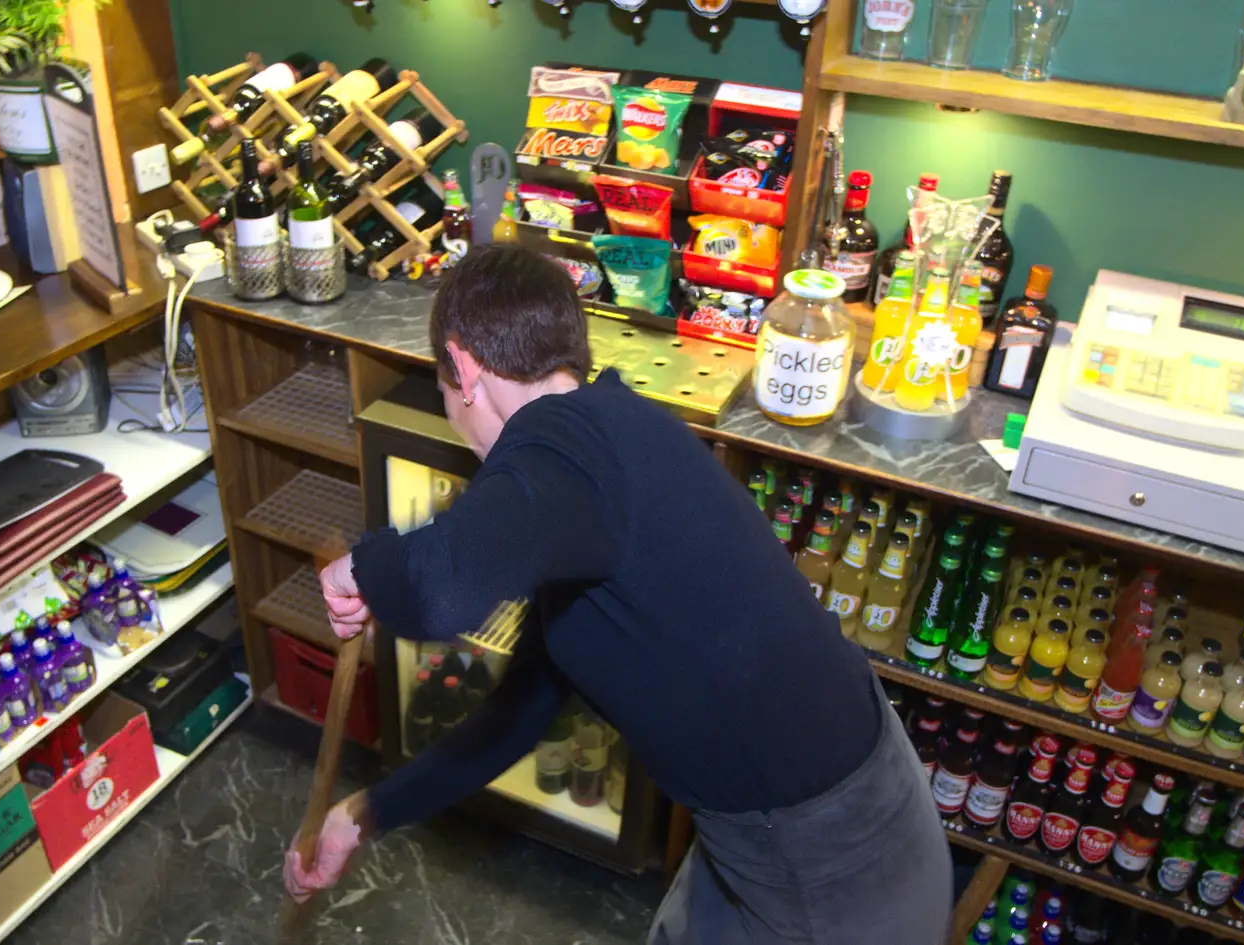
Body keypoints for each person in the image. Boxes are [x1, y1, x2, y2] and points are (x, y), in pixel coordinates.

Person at [285, 245, 951, 943]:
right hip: (790, 815)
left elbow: (437, 592)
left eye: (444, 391)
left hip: (830, 857)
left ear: (468, 369)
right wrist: (368, 812)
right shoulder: (600, 452)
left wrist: (360, 567)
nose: (455, 417)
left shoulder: (563, 442)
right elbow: (521, 710)